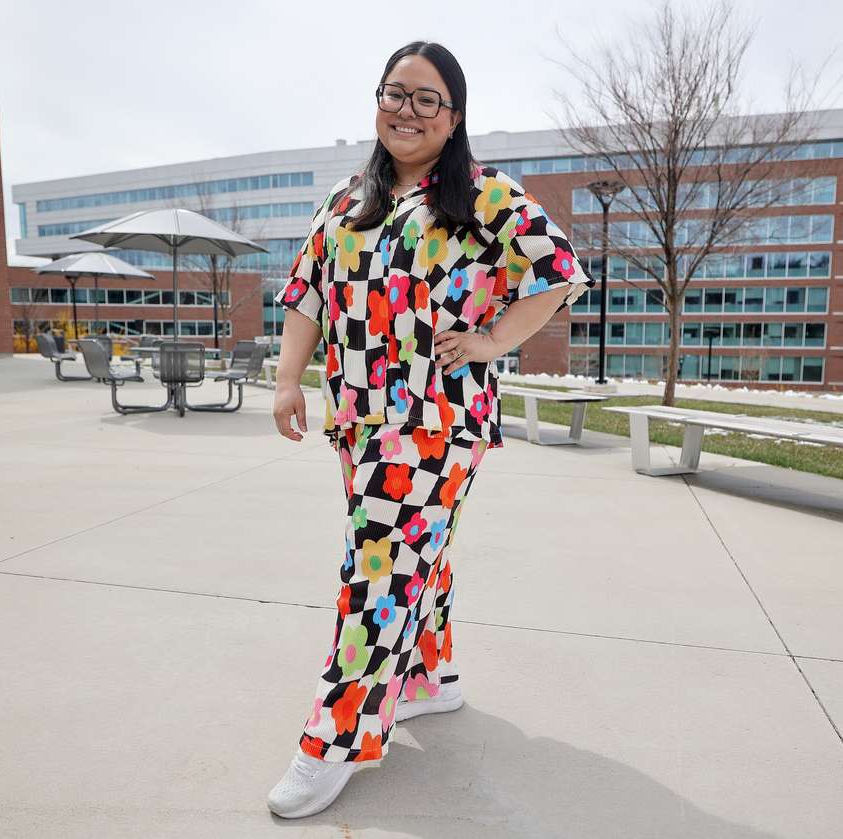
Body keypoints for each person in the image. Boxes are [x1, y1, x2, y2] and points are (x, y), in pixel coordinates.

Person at [265, 39, 594, 819]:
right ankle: (428, 678)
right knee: (415, 557)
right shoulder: (349, 201)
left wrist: (493, 341)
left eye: (425, 98)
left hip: (437, 421)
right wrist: (286, 378)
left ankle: (333, 737)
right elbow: (309, 294)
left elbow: (558, 272)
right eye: (393, 92)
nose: (405, 110)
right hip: (360, 421)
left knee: (377, 571)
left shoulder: (483, 195)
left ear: (453, 118)